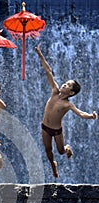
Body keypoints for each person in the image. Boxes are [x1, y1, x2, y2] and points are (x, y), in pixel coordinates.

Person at [35, 44, 97, 178]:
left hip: (57, 131)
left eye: (68, 85)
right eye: (66, 82)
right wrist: (40, 54)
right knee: (47, 149)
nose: (64, 84)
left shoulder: (67, 104)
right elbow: (48, 71)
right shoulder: (54, 91)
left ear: (71, 92)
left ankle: (67, 149)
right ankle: (53, 164)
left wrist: (91, 116)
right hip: (45, 126)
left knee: (60, 150)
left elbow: (80, 113)